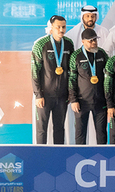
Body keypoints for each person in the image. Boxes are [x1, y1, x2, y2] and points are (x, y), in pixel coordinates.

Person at [31, 15, 75, 144]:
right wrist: (38, 95)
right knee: (42, 129)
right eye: (58, 27)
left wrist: (70, 93)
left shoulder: (69, 44)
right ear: (51, 28)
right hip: (45, 95)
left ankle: (58, 155)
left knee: (59, 129)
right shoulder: (40, 44)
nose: (61, 30)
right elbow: (35, 71)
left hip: (62, 96)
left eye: (64, 27)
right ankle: (40, 155)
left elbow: (72, 71)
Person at [68, 28, 108, 145]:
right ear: (83, 41)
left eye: (95, 40)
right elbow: (71, 79)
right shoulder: (76, 56)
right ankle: (79, 155)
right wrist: (73, 100)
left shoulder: (102, 53)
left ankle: (102, 155)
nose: (94, 42)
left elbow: (110, 74)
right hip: (82, 102)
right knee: (80, 134)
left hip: (100, 101)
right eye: (90, 41)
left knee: (102, 135)